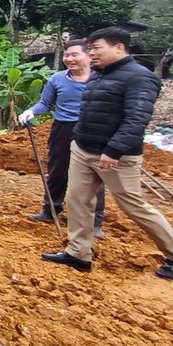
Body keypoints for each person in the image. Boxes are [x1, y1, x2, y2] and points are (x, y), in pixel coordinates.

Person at [42, 27, 173, 279]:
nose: (92, 53)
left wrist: (114, 149)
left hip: (115, 155)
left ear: (119, 48)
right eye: (90, 49)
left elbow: (137, 119)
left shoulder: (140, 77)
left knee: (132, 204)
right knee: (78, 200)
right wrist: (78, 138)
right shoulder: (98, 74)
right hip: (83, 148)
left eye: (97, 48)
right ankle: (78, 252)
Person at [19, 40, 106, 237]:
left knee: (94, 175)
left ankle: (96, 221)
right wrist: (31, 111)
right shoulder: (57, 79)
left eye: (75, 54)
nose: (69, 59)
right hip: (63, 128)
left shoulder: (101, 79)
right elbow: (45, 103)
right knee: (57, 171)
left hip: (92, 129)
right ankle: (50, 210)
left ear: (88, 56)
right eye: (67, 55)